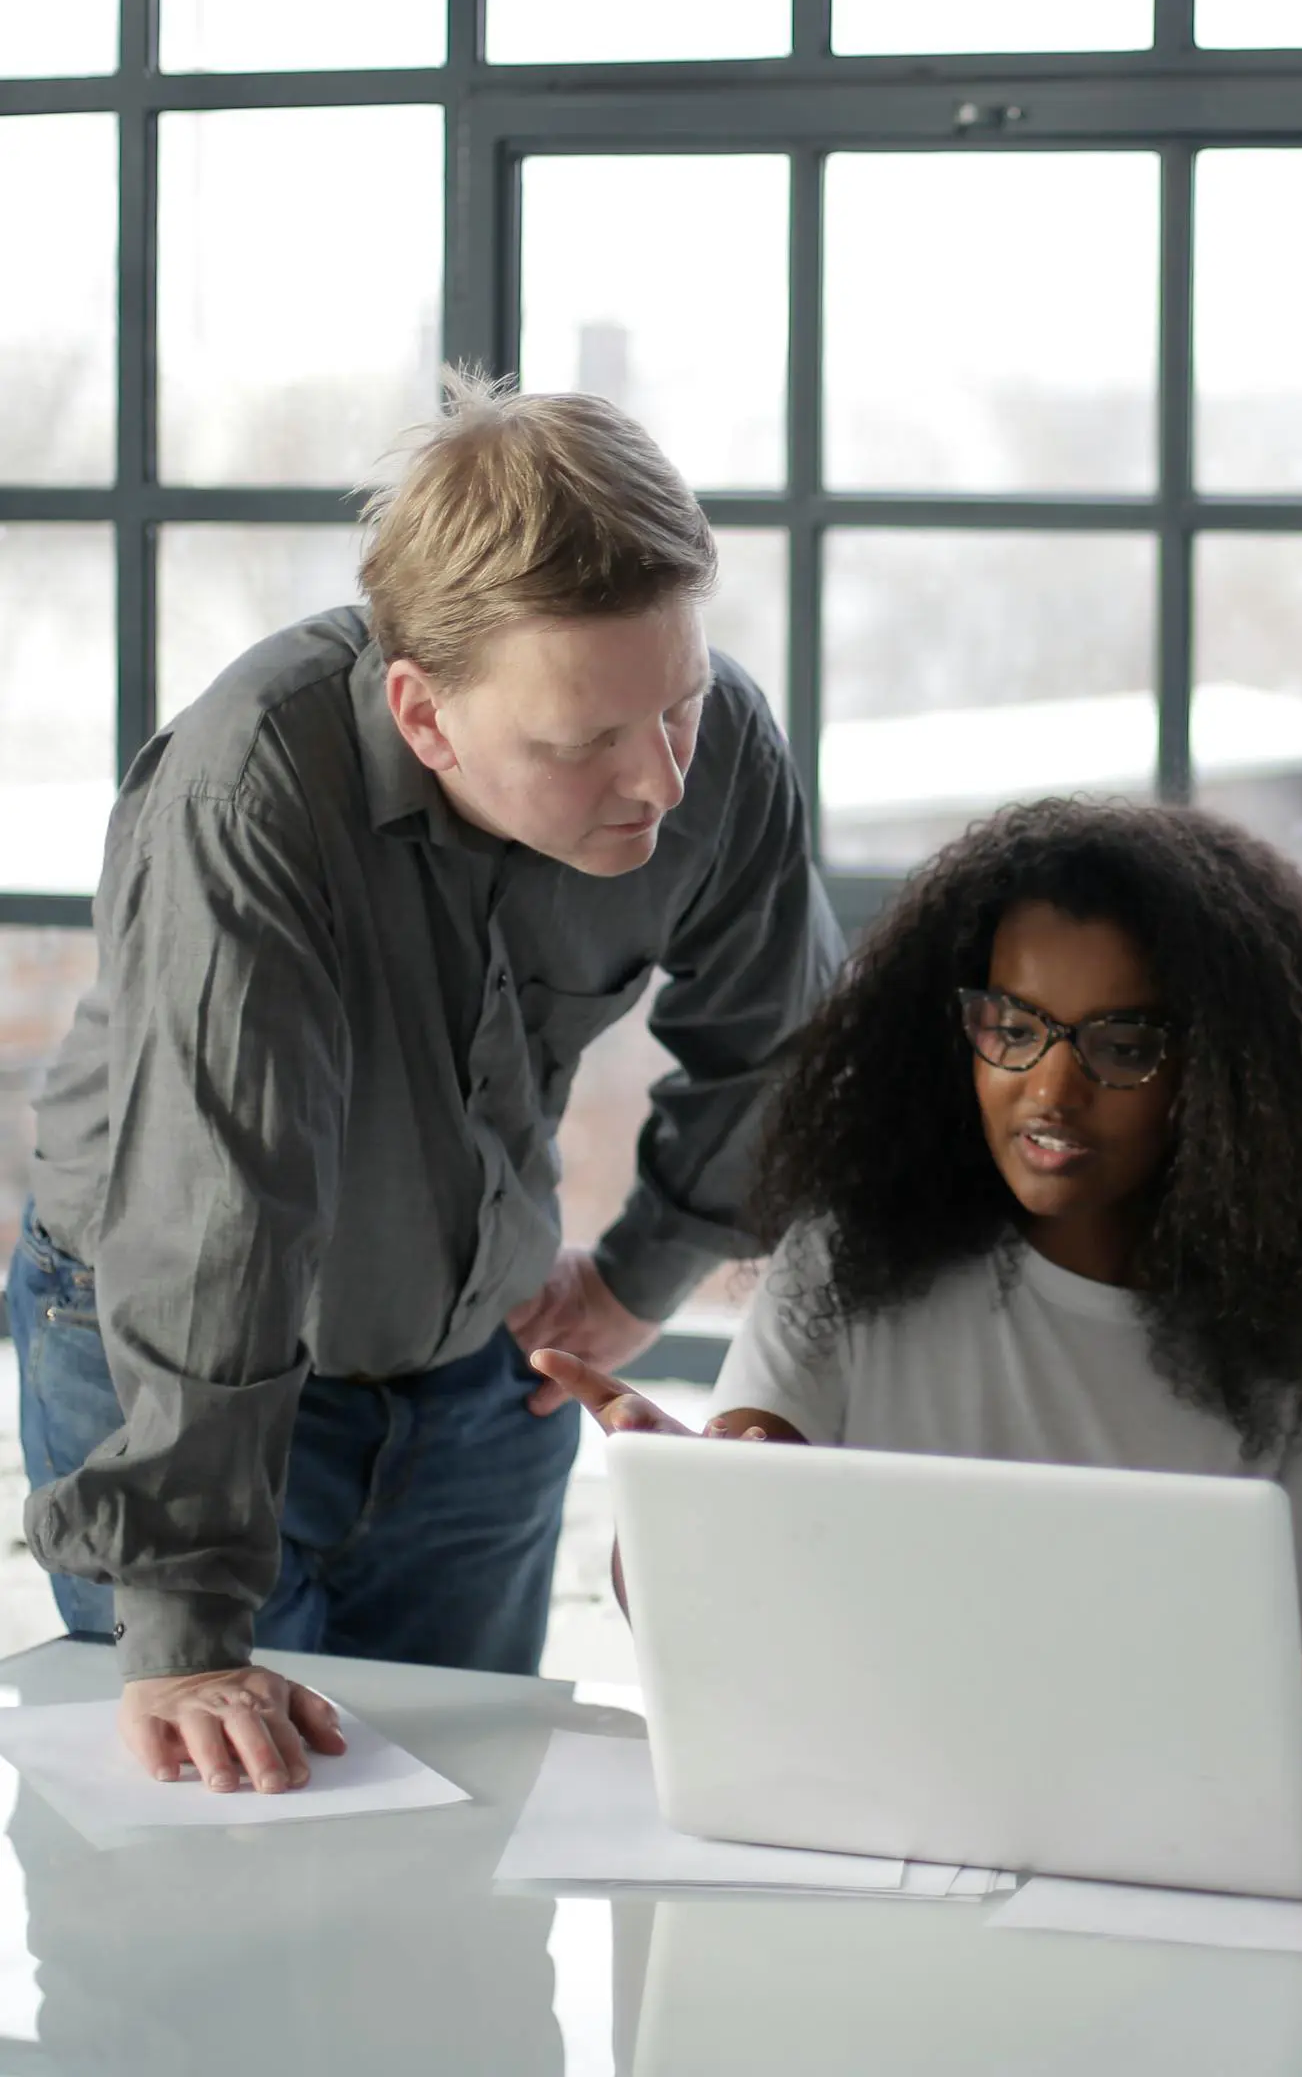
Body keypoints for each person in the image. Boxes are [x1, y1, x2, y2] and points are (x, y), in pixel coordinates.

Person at [11, 373, 843, 1795]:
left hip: (480, 1370)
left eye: (680, 706)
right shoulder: (250, 790)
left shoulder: (710, 747)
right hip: (177, 1356)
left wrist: (647, 1271)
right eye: (581, 743)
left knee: (470, 1862)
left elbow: (779, 1042)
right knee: (221, 1882)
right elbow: (223, 1209)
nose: (657, 778)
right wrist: (187, 1625)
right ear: (425, 713)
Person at [537, 796, 1302, 1640]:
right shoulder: (844, 1266)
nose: (1050, 1092)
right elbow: (709, 1608)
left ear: (1227, 1080)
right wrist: (679, 1509)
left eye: (1122, 1047)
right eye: (1011, 1031)